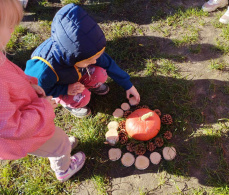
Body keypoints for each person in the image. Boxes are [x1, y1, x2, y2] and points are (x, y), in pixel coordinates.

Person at [0, 0, 85, 182]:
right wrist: (44, 107)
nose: (13, 30)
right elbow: (13, 128)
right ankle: (63, 167)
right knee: (59, 141)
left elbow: (12, 76)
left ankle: (58, 148)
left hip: (30, 115)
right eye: (9, 25)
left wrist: (29, 84)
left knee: (56, 137)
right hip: (24, 134)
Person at [24, 3, 140, 118]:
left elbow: (108, 64)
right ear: (73, 58)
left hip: (76, 73)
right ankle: (71, 104)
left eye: (96, 57)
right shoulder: (44, 71)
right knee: (82, 98)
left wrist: (128, 85)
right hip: (63, 85)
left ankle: (91, 85)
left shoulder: (88, 49)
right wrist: (65, 89)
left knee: (101, 74)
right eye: (90, 60)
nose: (95, 62)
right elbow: (39, 92)